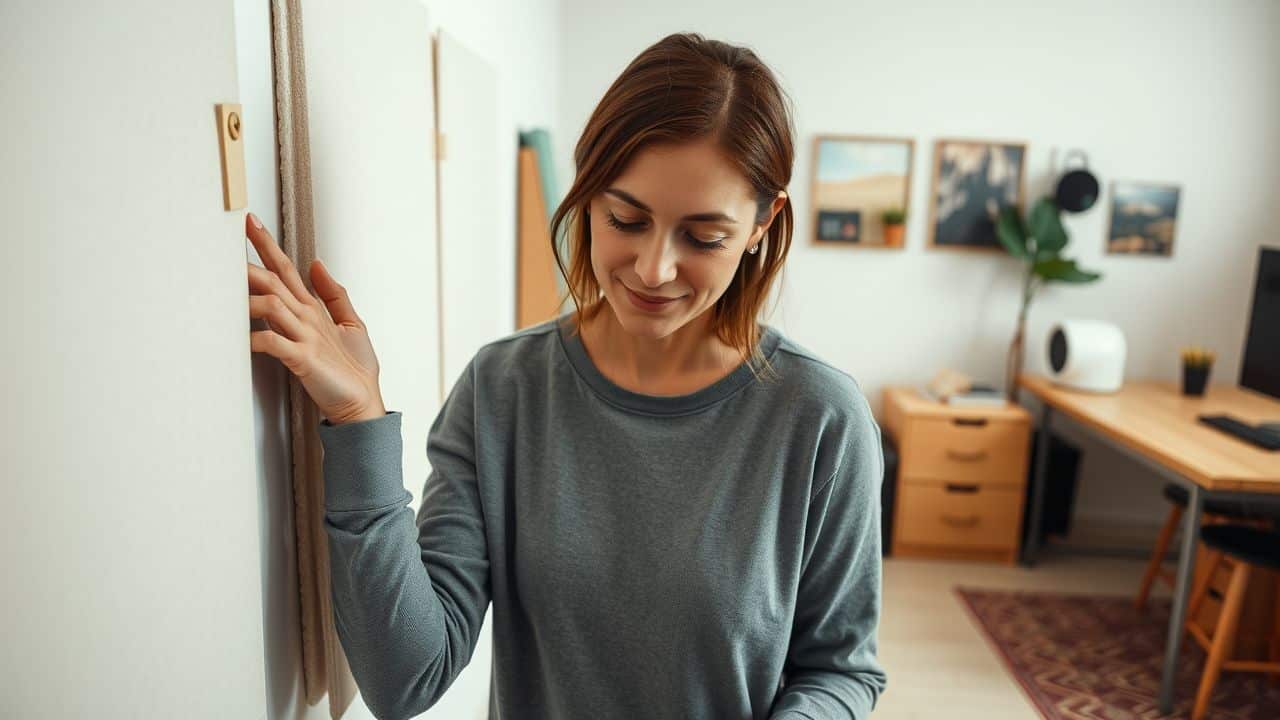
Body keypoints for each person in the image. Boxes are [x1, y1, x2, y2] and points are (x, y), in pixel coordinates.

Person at [247, 31, 887, 720]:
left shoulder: (821, 416)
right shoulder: (504, 391)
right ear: (587, 192)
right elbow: (407, 678)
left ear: (764, 223)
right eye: (626, 218)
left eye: (703, 236)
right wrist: (359, 422)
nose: (653, 269)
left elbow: (840, 671)